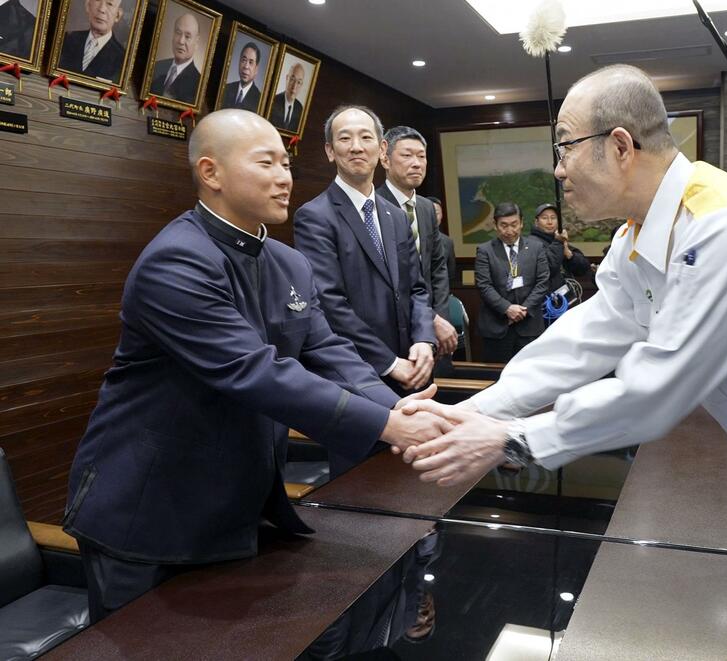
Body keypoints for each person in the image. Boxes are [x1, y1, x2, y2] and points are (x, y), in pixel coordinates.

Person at [403, 64, 727, 661]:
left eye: (563, 148)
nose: (557, 170)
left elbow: (655, 391)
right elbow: (581, 340)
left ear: (620, 146)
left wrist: (511, 441)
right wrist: (467, 412)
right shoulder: (644, 234)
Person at [62, 109, 447, 623]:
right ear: (211, 173)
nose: (283, 177)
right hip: (149, 513)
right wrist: (388, 425)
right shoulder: (176, 260)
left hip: (237, 507)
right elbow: (255, 371)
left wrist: (398, 406)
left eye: (286, 164)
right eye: (266, 163)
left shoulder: (287, 262)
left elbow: (329, 352)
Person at [293, 105, 436, 403]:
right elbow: (330, 303)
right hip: (358, 375)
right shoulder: (315, 217)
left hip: (414, 366)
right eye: (345, 139)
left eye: (366, 137)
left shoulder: (395, 215)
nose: (356, 147)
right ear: (330, 151)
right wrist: (389, 362)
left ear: (382, 149)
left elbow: (418, 286)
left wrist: (423, 338)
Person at [376, 126, 457, 357]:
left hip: (434, 325)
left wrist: (438, 317)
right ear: (385, 159)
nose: (416, 163)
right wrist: (429, 319)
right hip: (393, 325)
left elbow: (437, 268)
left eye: (421, 156)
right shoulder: (374, 206)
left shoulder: (425, 208)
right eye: (407, 155)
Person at [474, 202, 549, 363]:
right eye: (504, 225)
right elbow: (484, 285)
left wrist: (523, 310)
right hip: (497, 327)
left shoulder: (536, 248)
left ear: (521, 222)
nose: (510, 231)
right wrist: (507, 308)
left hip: (529, 327)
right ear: (495, 225)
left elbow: (542, 282)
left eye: (514, 225)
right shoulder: (485, 250)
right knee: (497, 378)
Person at [526, 202, 591, 296]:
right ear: (536, 222)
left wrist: (569, 255)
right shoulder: (530, 244)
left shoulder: (560, 240)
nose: (549, 222)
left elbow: (583, 269)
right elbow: (547, 269)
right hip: (546, 301)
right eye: (544, 218)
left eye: (553, 218)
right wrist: (557, 243)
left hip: (567, 298)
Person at [58, 0, 126, 81]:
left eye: (110, 4)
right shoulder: (67, 39)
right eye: (97, 0)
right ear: (87, 6)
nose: (101, 9)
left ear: (118, 15)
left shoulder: (122, 58)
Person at [149, 12, 201, 104]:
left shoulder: (198, 83)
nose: (181, 41)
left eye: (187, 36)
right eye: (178, 33)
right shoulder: (156, 66)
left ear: (196, 42)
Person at [219, 41, 262, 112]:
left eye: (251, 62)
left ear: (256, 69)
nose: (246, 66)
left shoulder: (259, 100)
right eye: (244, 60)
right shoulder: (226, 88)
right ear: (239, 62)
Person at [427, 196, 457, 289]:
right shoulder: (412, 238)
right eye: (429, 213)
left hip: (441, 294)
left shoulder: (447, 242)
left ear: (442, 215)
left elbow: (451, 274)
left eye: (436, 213)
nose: (433, 217)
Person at [268, 62, 304, 132]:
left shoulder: (300, 109)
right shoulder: (273, 101)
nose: (294, 86)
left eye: (299, 82)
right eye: (292, 79)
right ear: (287, 78)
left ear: (301, 85)